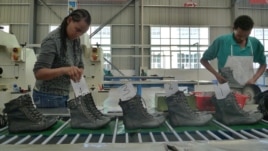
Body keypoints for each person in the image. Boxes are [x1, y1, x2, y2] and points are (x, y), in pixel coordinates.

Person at [32, 9, 91, 108]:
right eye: (77, 29)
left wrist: (79, 71)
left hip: (63, 95)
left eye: (82, 33)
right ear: (69, 20)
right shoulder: (52, 40)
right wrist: (65, 70)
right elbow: (39, 73)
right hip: (47, 96)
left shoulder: (75, 41)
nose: (78, 34)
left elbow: (80, 64)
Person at [200, 15, 267, 87]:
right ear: (233, 29)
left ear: (250, 31)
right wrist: (217, 75)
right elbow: (204, 60)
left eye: (245, 36)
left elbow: (263, 64)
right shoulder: (222, 41)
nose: (242, 38)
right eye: (239, 35)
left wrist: (254, 79)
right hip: (226, 87)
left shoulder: (255, 43)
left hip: (248, 90)